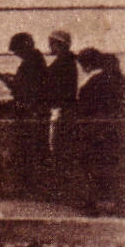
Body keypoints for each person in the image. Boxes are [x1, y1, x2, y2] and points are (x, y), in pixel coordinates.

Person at [0, 32, 50, 196]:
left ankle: (25, 188)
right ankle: (30, 187)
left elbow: (22, 89)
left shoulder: (30, 63)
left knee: (25, 149)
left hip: (29, 112)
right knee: (31, 149)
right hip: (35, 111)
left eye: (17, 50)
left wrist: (4, 78)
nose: (16, 54)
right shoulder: (36, 60)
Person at [72, 48, 125, 216]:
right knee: (114, 168)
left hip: (95, 131)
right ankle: (119, 205)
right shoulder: (120, 80)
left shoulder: (93, 82)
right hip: (116, 131)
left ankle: (91, 205)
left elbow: (83, 107)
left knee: (90, 167)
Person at [44, 30, 79, 197]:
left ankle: (62, 191)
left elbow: (47, 84)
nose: (50, 47)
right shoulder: (70, 61)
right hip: (67, 110)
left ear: (58, 45)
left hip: (60, 110)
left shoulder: (62, 63)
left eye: (52, 44)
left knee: (58, 148)